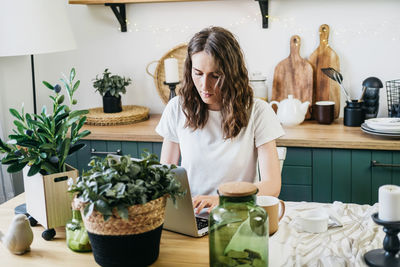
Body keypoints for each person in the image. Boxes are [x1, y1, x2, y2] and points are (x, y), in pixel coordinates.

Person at [156, 26, 284, 213]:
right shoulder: (176, 108)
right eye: (198, 73)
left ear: (232, 74)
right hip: (192, 216)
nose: (204, 85)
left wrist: (222, 200)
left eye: (215, 76)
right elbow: (165, 177)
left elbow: (272, 186)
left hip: (237, 213)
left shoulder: (258, 111)